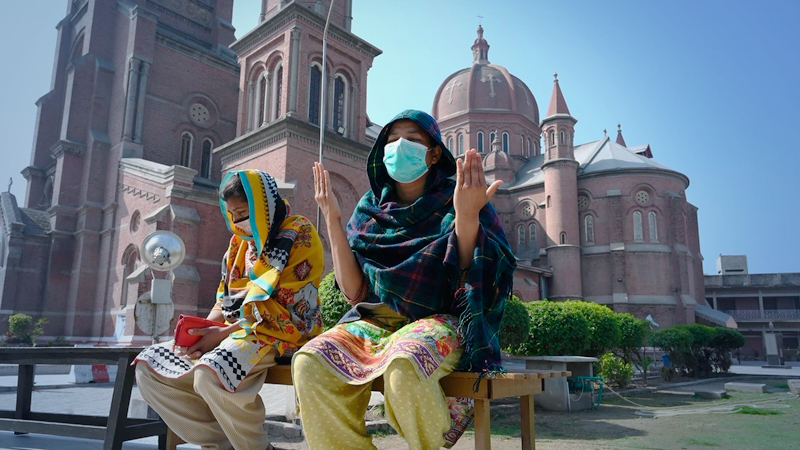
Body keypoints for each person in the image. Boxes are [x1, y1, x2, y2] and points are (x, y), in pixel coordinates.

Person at [293, 110, 516, 450]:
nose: (399, 147)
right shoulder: (370, 209)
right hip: (377, 322)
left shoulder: (459, 198)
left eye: (412, 139)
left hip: (439, 321)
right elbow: (354, 293)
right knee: (310, 363)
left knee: (405, 366)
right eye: (391, 140)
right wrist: (333, 218)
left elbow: (472, 276)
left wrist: (467, 217)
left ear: (435, 152)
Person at [134, 170, 324, 450]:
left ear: (264, 205)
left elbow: (288, 302)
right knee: (149, 368)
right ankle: (224, 444)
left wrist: (222, 334)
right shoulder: (238, 243)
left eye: (243, 212)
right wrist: (203, 331)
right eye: (232, 214)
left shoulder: (299, 232)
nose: (237, 221)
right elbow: (225, 298)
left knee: (210, 374)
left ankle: (254, 447)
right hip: (235, 333)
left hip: (283, 331)